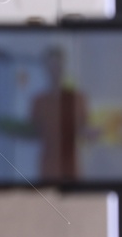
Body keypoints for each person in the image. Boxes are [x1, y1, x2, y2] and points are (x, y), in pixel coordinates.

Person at [26, 45, 90, 181]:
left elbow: (83, 129)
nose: (55, 71)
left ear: (63, 68)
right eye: (51, 67)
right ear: (46, 69)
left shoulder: (77, 99)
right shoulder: (38, 101)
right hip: (47, 167)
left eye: (58, 66)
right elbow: (32, 132)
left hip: (71, 167)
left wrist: (90, 133)